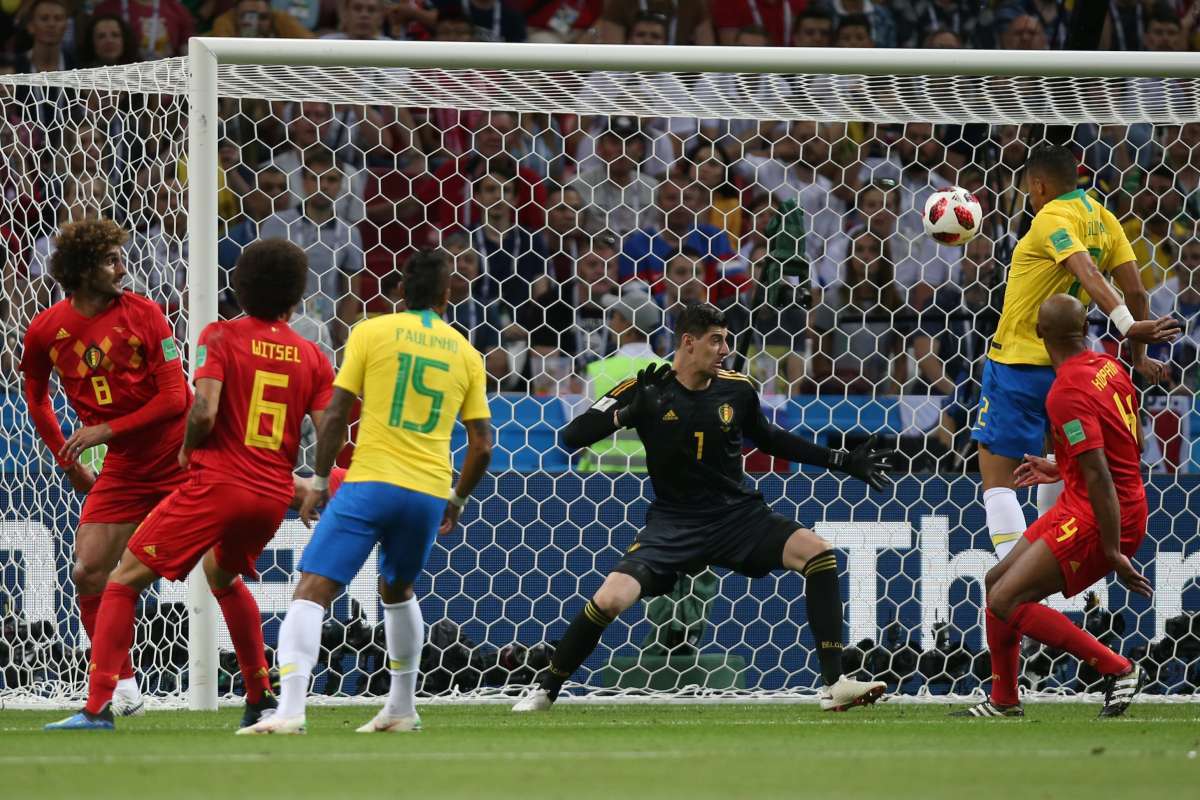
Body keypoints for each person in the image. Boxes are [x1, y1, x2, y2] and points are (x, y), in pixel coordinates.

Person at [512, 302, 894, 713]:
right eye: (716, 340)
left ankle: (835, 684)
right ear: (688, 343)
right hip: (673, 524)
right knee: (610, 600)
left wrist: (841, 460)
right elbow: (571, 436)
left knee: (819, 553)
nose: (724, 348)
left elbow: (771, 440)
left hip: (737, 517)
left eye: (727, 340)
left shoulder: (737, 388)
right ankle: (547, 688)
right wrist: (627, 414)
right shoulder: (645, 387)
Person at [44, 239, 335, 731]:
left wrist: (187, 449)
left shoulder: (220, 335)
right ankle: (260, 694)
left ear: (238, 287)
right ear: (296, 297)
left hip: (218, 484)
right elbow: (330, 426)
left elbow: (202, 408)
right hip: (268, 499)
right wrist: (318, 481)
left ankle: (97, 709)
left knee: (122, 579)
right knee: (222, 577)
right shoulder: (311, 355)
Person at [241, 250, 493, 734]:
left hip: (371, 482)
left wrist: (317, 480)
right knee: (397, 591)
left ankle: (291, 710)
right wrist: (456, 501)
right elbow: (481, 446)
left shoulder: (370, 332)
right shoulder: (465, 351)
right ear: (446, 296)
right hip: (427, 491)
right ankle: (401, 708)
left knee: (311, 591)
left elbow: (335, 414)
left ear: (400, 292)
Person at [970, 143, 1179, 563]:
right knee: (1060, 465)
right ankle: (1072, 590)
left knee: (998, 478)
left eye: (1029, 192)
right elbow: (1137, 290)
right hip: (1070, 372)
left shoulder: (1050, 217)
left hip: (1017, 365)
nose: (1030, 198)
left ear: (1039, 185)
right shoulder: (1105, 218)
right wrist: (1137, 358)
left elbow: (1082, 268)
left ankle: (1019, 586)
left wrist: (1123, 325)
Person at [19, 219, 193, 718]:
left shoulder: (145, 314)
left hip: (178, 454)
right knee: (88, 571)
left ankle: (260, 691)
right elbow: (36, 399)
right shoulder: (46, 329)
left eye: (121, 257)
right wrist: (66, 458)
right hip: (126, 468)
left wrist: (104, 431)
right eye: (110, 259)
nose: (122, 267)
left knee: (223, 567)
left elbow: (175, 397)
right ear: (80, 269)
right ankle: (122, 687)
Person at [954, 294, 1151, 719]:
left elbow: (1099, 472)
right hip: (1094, 498)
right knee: (995, 582)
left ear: (1039, 333)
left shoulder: (1064, 392)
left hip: (1102, 512)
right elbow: (1123, 444)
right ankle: (1004, 700)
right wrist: (1062, 466)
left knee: (1008, 600)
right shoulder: (1108, 366)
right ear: (1084, 330)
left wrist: (1114, 550)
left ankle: (1116, 669)